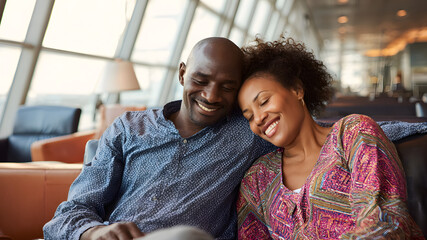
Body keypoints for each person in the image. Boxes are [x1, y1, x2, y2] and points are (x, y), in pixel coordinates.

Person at [43, 37, 275, 240]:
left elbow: (302, 128)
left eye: (227, 87)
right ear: (182, 73)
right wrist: (94, 232)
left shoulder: (251, 133)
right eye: (201, 81)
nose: (211, 95)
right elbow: (70, 213)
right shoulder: (129, 128)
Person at [236, 37, 424, 239]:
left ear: (297, 89)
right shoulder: (257, 177)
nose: (259, 118)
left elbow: (385, 221)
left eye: (264, 101)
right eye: (249, 116)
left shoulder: (352, 135)